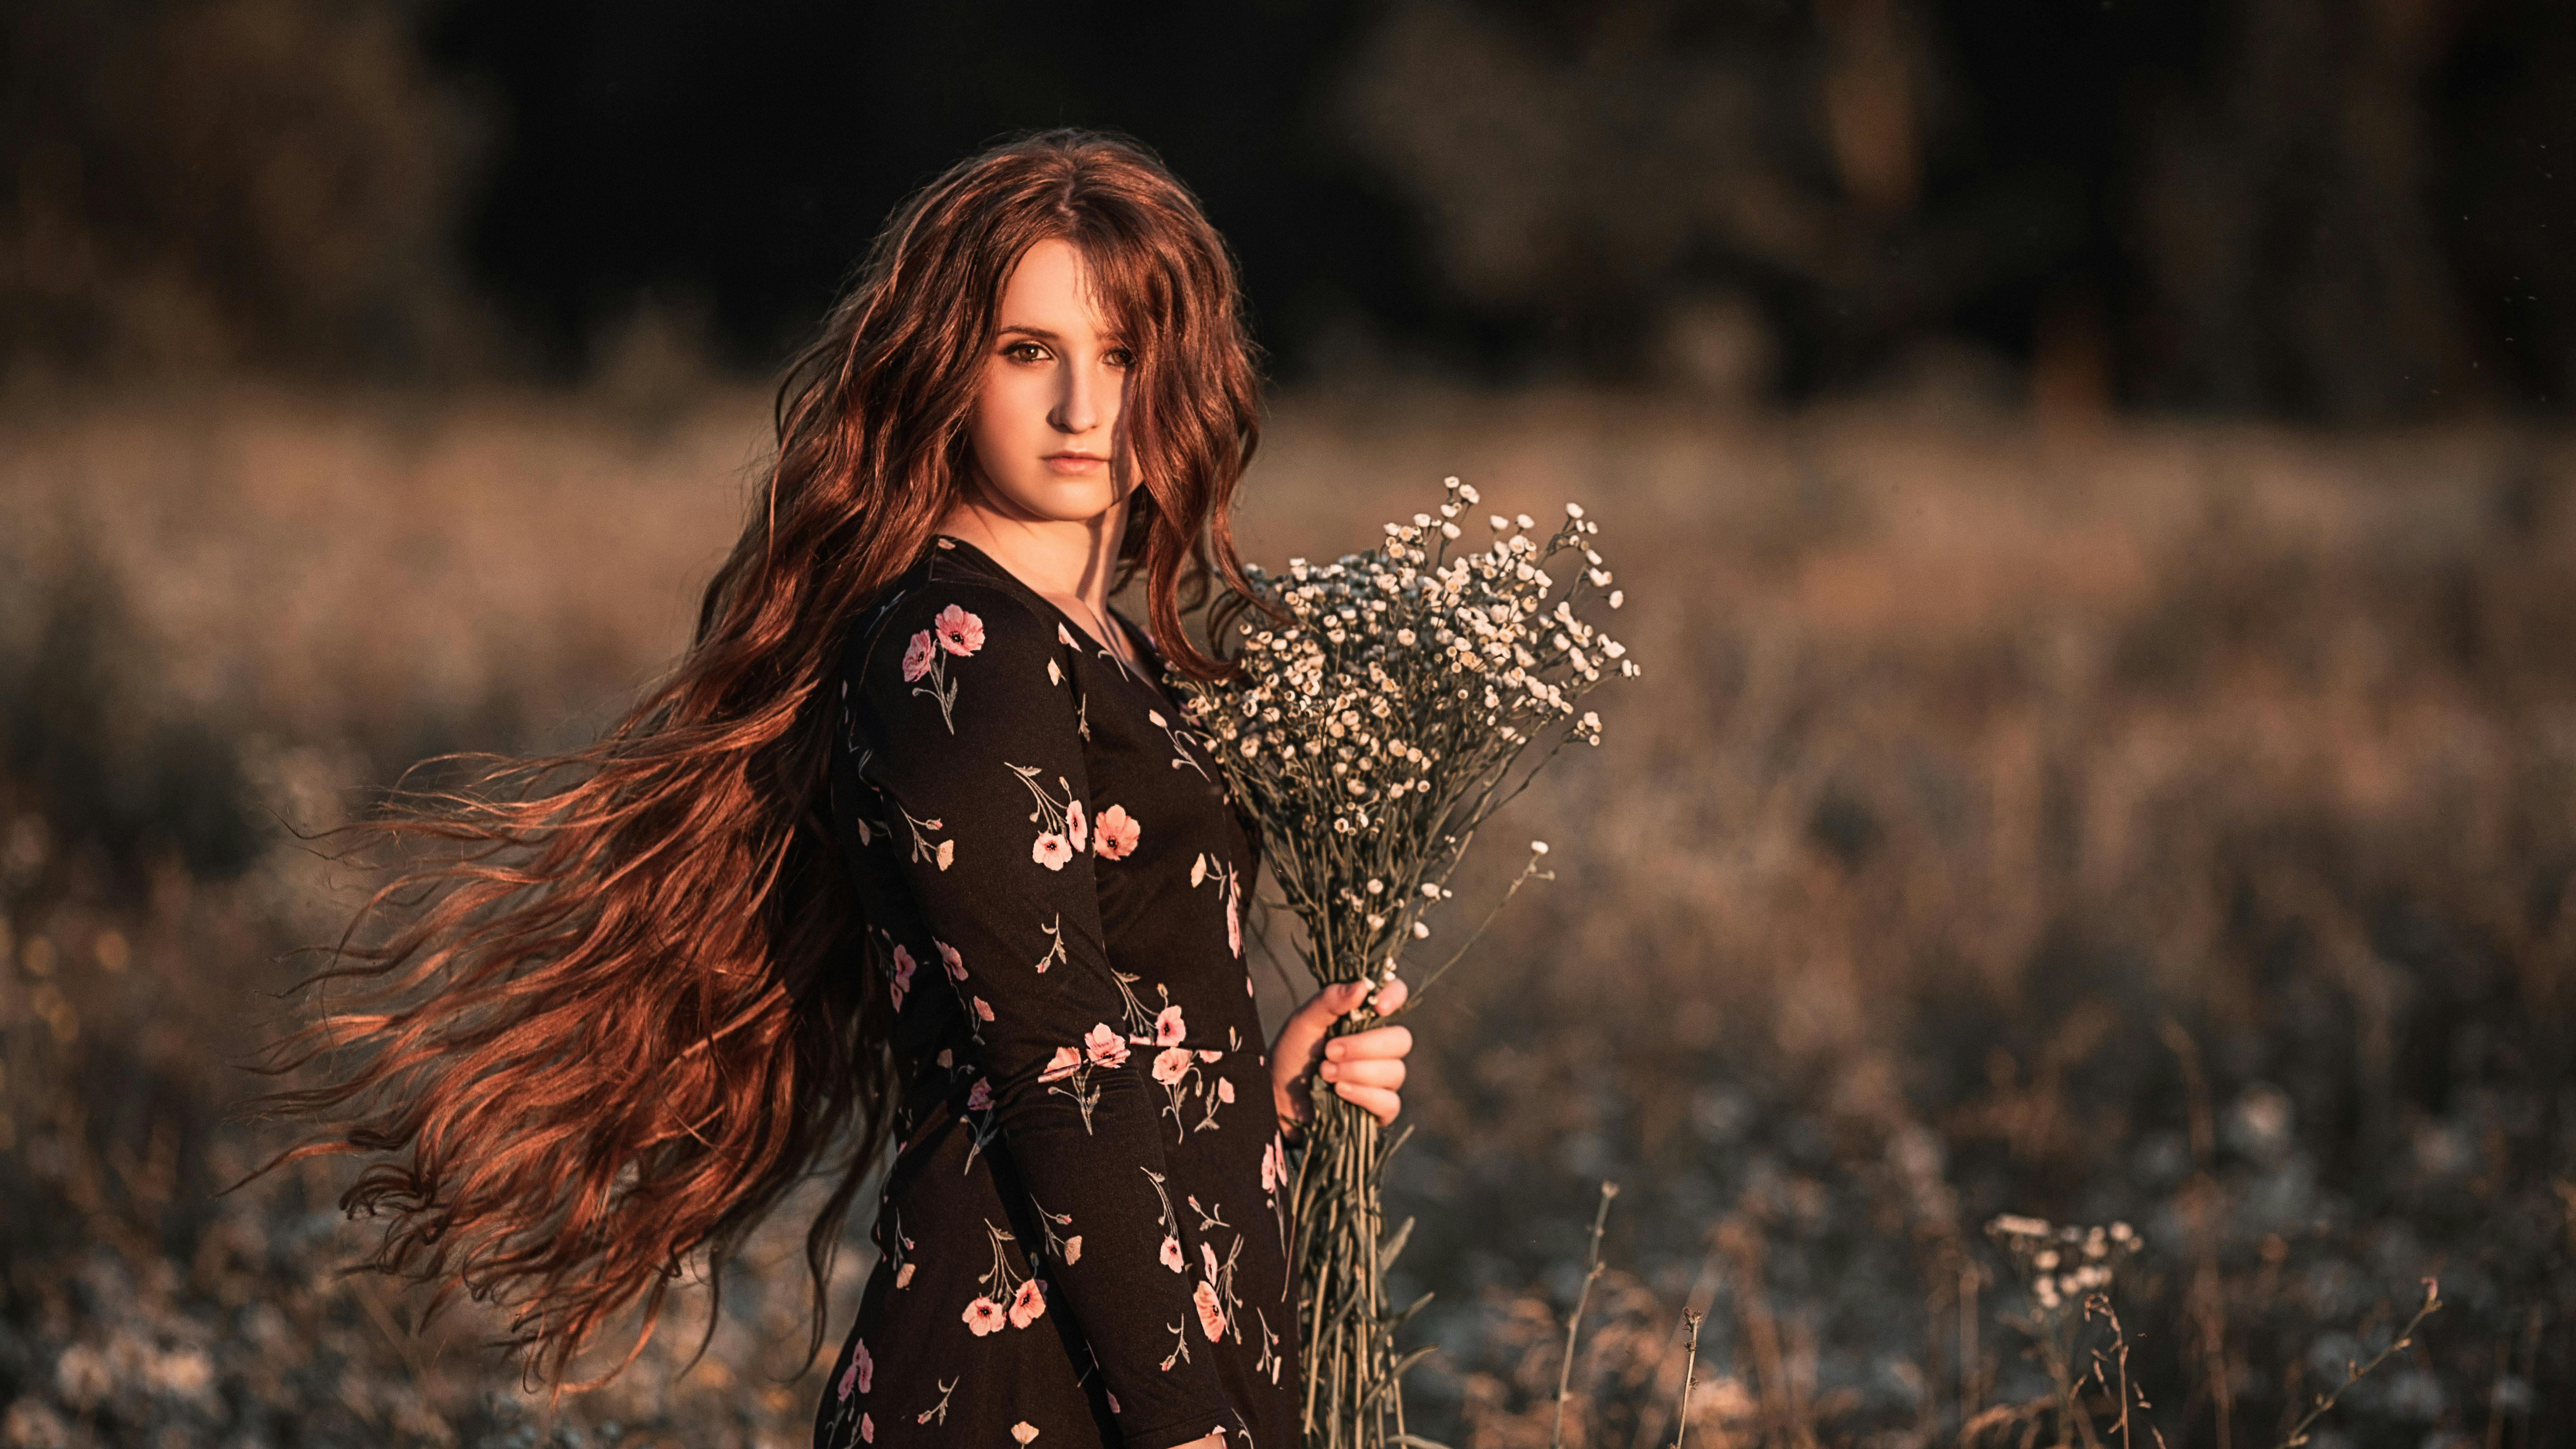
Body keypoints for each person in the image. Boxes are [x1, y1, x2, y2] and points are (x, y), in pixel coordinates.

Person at [252, 129, 1414, 1449]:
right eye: (1029, 352)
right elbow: (1048, 1069)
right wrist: (1192, 1432)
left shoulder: (1114, 648)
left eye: (1125, 355)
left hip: (1161, 1337)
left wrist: (1259, 1092)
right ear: (948, 368)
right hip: (1043, 1379)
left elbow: (1111, 1028)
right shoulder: (963, 653)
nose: (1086, 409)